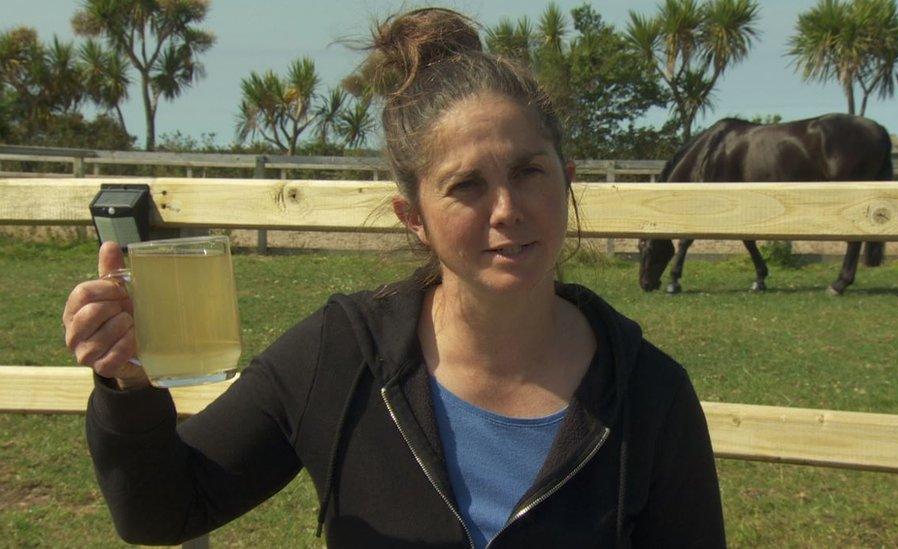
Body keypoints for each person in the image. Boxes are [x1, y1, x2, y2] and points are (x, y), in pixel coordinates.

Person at [61, 8, 724, 548]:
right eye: (466, 186)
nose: (508, 210)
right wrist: (125, 384)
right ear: (416, 219)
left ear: (567, 177)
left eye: (529, 171)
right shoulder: (342, 353)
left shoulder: (649, 394)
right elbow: (164, 509)